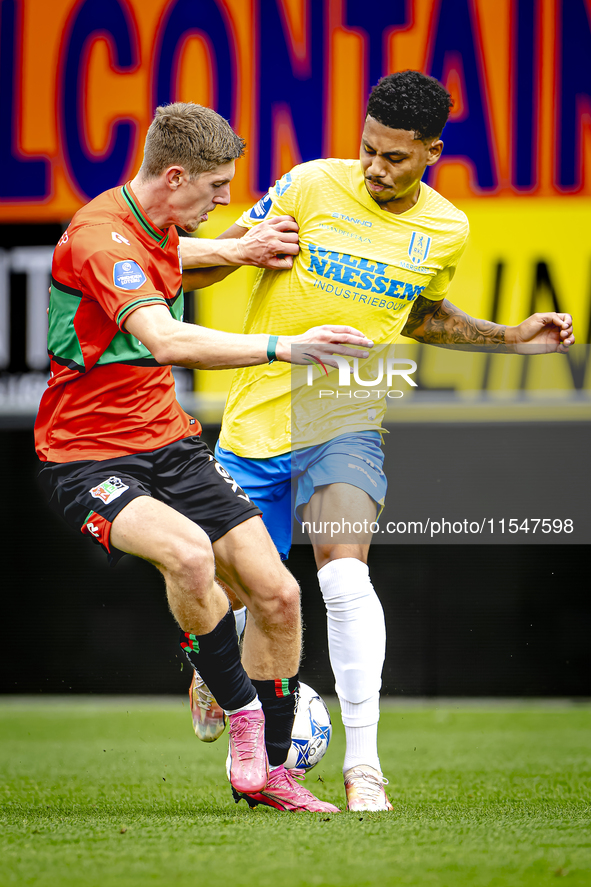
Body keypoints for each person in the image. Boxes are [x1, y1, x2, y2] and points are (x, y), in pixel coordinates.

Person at [179, 71, 575, 811]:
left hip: (345, 416)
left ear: (431, 151)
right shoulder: (307, 185)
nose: (374, 167)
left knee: (341, 572)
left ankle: (364, 768)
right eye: (367, 149)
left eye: (394, 157)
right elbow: (192, 264)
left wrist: (510, 337)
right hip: (256, 417)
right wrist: (243, 246)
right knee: (234, 596)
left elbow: (420, 314)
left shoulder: (445, 227)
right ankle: (215, 668)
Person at [34, 101, 378, 813]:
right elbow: (167, 340)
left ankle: (271, 774)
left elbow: (173, 257)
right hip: (86, 457)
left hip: (170, 441)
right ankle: (241, 715)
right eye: (218, 187)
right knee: (190, 556)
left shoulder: (151, 225)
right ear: (176, 174)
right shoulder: (100, 236)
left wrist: (235, 249)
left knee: (278, 594)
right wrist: (291, 346)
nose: (227, 201)